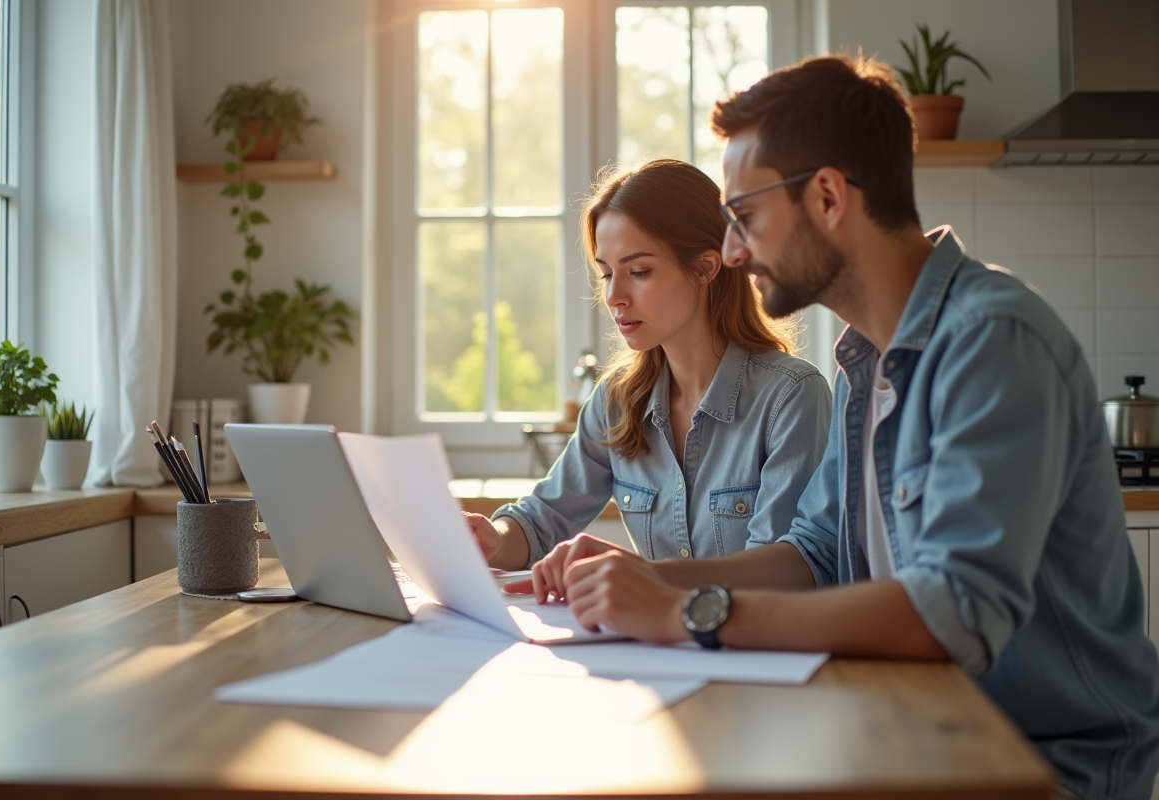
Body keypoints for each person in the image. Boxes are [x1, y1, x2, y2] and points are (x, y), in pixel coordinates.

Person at [512, 58, 1159, 799]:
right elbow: (813, 554)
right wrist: (647, 578)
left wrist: (685, 610)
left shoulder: (991, 340)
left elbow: (954, 611)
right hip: (908, 730)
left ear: (826, 197)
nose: (729, 252)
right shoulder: (866, 362)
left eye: (745, 216)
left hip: (1036, 766)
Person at [468, 158, 832, 575]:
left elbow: (781, 573)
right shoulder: (616, 400)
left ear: (706, 267)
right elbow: (539, 522)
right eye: (606, 274)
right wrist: (492, 539)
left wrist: (646, 578)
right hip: (651, 641)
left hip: (752, 640)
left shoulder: (792, 396)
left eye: (639, 271)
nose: (614, 296)